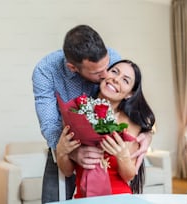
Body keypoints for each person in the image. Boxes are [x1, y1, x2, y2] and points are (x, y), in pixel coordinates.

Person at [32, 25, 152, 203]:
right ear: (73, 68)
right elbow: (50, 125)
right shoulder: (46, 71)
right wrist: (69, 152)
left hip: (112, 172)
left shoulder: (112, 61)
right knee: (51, 200)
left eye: (109, 67)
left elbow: (133, 102)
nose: (108, 76)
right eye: (98, 72)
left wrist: (148, 132)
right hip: (65, 140)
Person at [56, 59, 156, 197]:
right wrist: (61, 151)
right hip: (83, 197)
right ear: (104, 74)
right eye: (114, 72)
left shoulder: (131, 124)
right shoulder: (77, 111)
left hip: (119, 197)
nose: (116, 79)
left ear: (129, 94)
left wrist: (122, 156)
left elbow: (129, 176)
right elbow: (67, 171)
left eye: (125, 80)